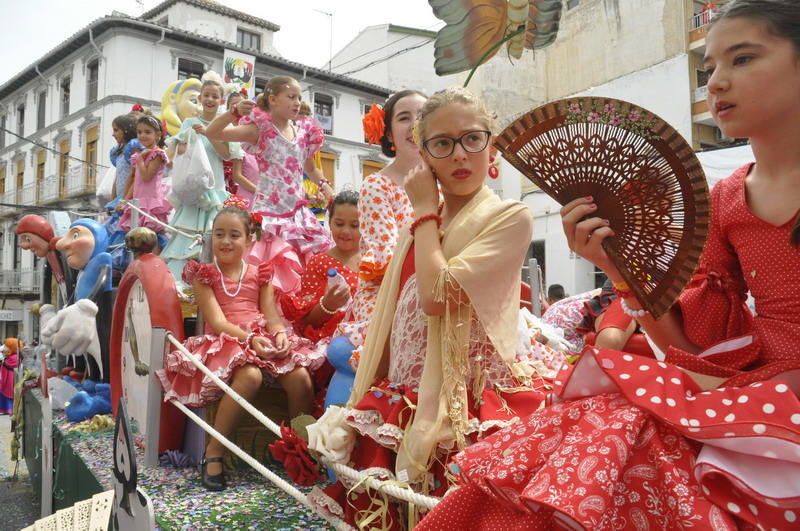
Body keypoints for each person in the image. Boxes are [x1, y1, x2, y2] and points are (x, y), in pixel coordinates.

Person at [418, 2, 800, 528]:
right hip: (748, 388)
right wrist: (615, 267)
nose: (717, 83)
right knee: (593, 432)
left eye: (744, 59)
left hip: (778, 402)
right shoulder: (728, 200)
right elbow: (689, 353)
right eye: (710, 68)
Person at [307, 88, 543, 529]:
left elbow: (437, 297)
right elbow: (395, 311)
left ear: (491, 145)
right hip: (404, 393)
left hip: (468, 400)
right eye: (442, 143)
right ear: (426, 156)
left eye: (472, 138)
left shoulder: (510, 216)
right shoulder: (424, 221)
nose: (460, 154)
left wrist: (421, 212)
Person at [156, 196, 325, 491]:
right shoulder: (204, 275)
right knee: (250, 375)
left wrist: (280, 334)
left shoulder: (260, 273)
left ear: (249, 239)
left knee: (300, 378)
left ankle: (297, 450)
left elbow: (271, 316)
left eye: (234, 235)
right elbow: (218, 322)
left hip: (260, 335)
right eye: (219, 234)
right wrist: (251, 339)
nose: (225, 241)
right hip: (226, 340)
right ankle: (214, 452)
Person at [327, 90, 428, 385]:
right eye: (404, 118)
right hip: (390, 294)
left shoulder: (445, 182)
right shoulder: (377, 185)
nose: (414, 125)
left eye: (422, 117)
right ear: (388, 132)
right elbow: (389, 256)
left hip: (437, 286)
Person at [205, 75, 334, 293]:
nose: (297, 102)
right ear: (273, 99)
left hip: (298, 215)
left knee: (302, 274)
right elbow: (213, 132)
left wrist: (324, 185)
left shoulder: (304, 133)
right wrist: (233, 112)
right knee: (270, 277)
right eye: (291, 97)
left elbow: (310, 167)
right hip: (269, 217)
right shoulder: (261, 130)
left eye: (299, 97)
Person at [160, 73, 234, 282]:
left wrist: (209, 132)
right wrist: (187, 142)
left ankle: (212, 281)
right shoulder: (190, 122)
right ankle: (182, 283)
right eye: (206, 95)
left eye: (214, 96)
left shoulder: (225, 126)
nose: (210, 100)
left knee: (214, 235)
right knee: (188, 234)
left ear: (221, 101)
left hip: (216, 187)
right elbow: (178, 150)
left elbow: (226, 154)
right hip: (194, 186)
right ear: (200, 98)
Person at [281, 190, 360, 343]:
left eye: (354, 225)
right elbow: (307, 323)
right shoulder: (318, 263)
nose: (345, 231)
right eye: (339, 224)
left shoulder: (377, 259)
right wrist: (328, 305)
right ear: (329, 222)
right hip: (332, 344)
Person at [116, 114, 172, 247]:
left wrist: (141, 159)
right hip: (138, 201)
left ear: (158, 135)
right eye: (139, 132)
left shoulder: (158, 154)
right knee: (137, 240)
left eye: (147, 132)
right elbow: (136, 181)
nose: (142, 135)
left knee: (151, 239)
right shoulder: (138, 156)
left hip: (151, 201)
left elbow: (147, 176)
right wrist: (125, 200)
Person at [222, 91, 259, 207]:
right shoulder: (222, 131)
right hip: (225, 184)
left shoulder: (254, 133)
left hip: (250, 187)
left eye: (242, 104)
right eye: (234, 105)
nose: (239, 109)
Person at [0, 339, 20, 415]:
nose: (4, 348)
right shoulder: (10, 356)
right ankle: (5, 409)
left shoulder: (14, 357)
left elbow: (9, 365)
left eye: (7, 346)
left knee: (8, 393)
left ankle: (8, 409)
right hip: (6, 378)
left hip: (10, 378)